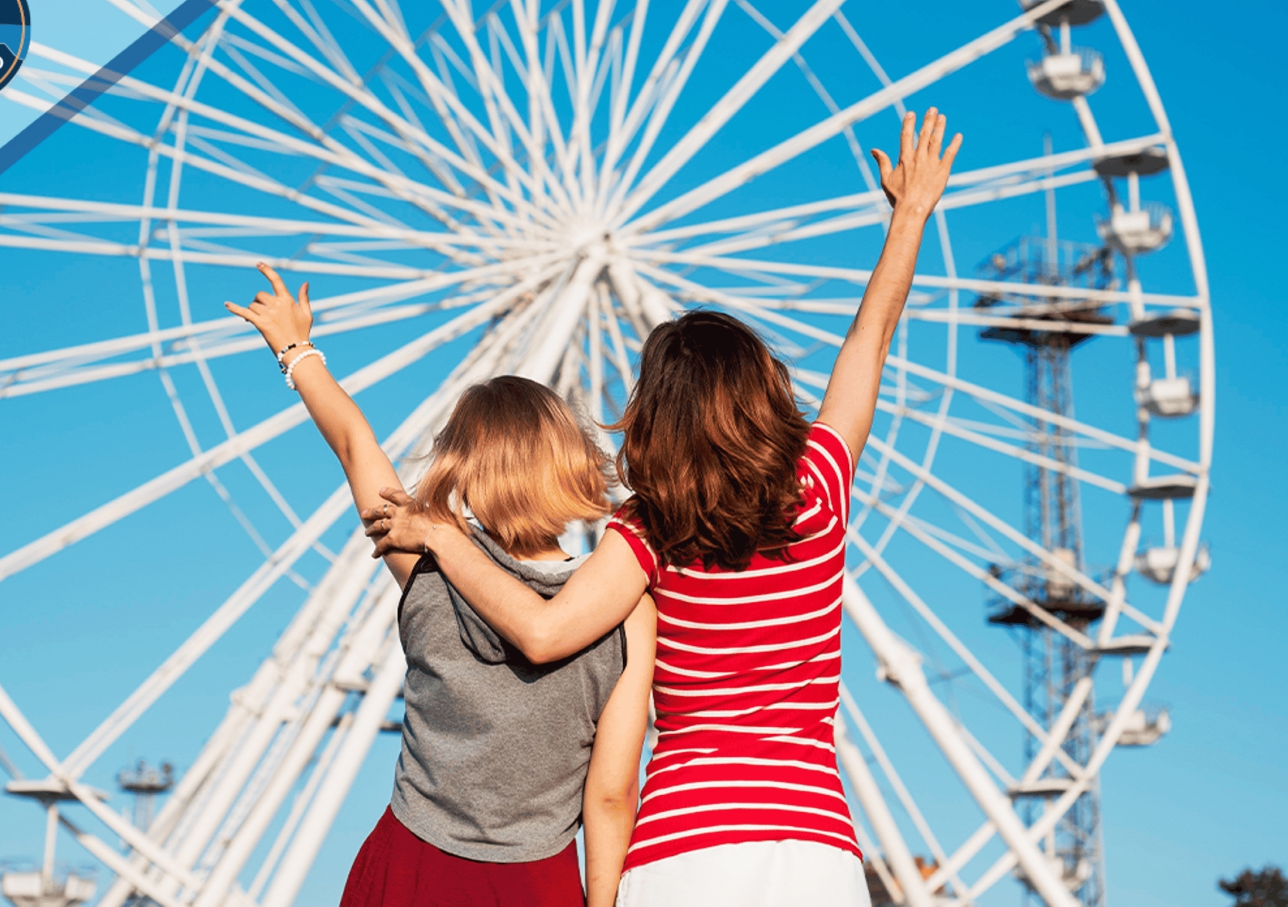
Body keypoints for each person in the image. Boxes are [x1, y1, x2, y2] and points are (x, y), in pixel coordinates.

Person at [362, 109, 962, 907]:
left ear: (655, 416)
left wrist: (444, 536)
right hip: (809, 847)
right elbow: (868, 344)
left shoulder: (647, 530)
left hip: (682, 847)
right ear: (764, 391)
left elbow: (542, 631)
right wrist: (910, 213)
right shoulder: (819, 483)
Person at [226, 268, 657, 907]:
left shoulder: (428, 565)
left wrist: (296, 350)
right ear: (572, 465)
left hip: (410, 861)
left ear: (461, 468)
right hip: (536, 880)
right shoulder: (626, 610)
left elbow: (354, 446)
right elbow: (612, 794)